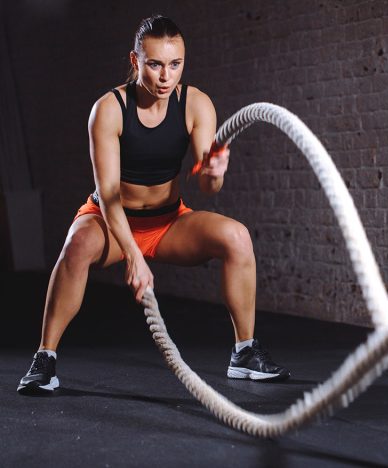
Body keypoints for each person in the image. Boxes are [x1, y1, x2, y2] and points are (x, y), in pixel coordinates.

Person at [18, 14, 289, 394]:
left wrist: (215, 170)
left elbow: (208, 187)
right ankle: (45, 359)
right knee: (76, 245)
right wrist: (132, 254)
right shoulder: (109, 109)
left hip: (167, 221)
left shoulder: (196, 104)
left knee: (237, 237)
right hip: (111, 221)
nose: (166, 76)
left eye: (175, 64)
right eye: (155, 64)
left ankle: (244, 353)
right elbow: (108, 194)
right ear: (136, 61)